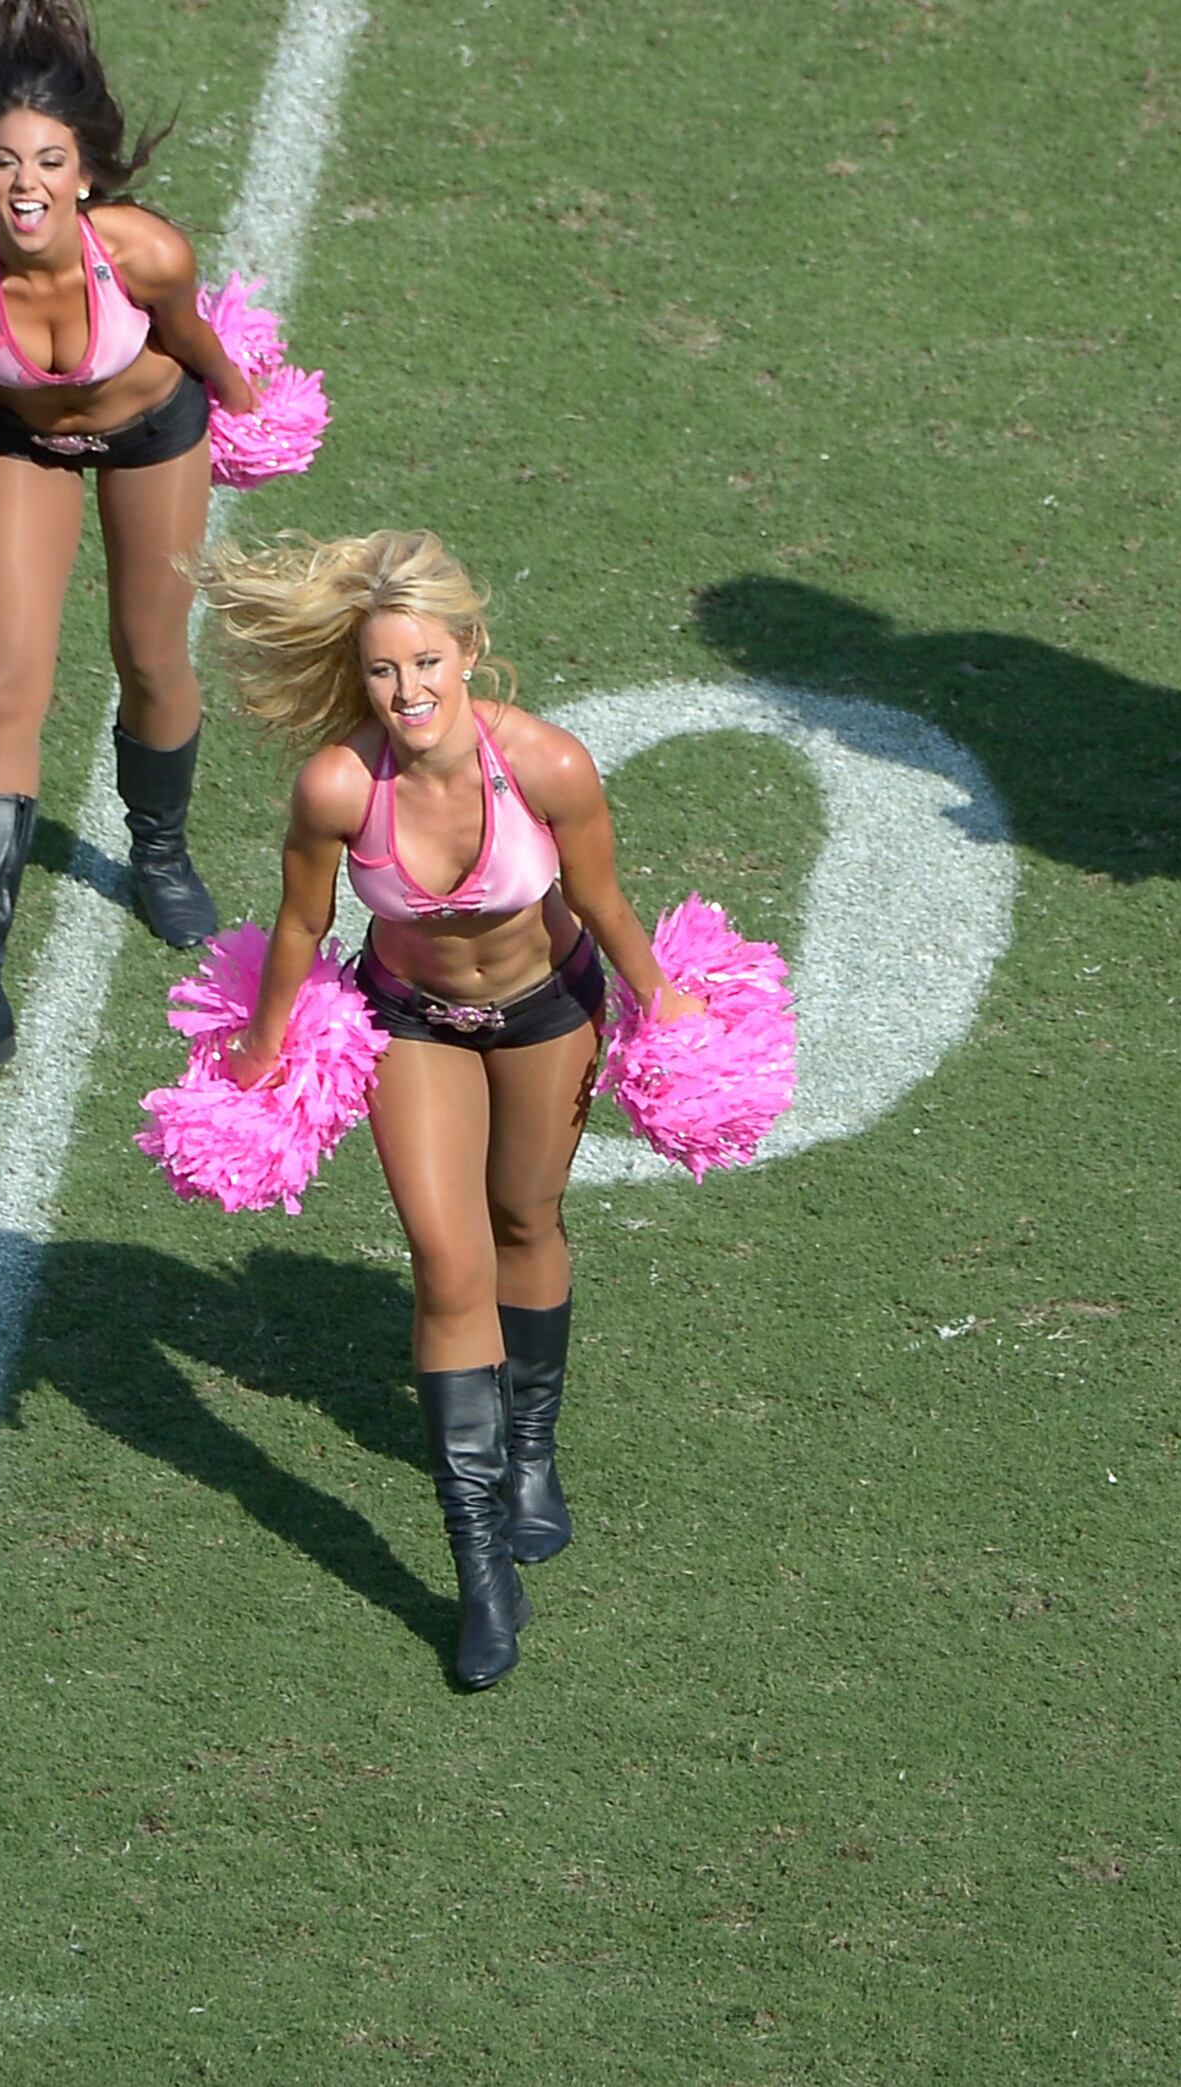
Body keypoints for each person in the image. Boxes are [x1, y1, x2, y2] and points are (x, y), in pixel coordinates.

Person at [197, 532, 700, 1692]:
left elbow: (603, 899)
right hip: (412, 1018)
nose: (408, 690)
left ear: (469, 650)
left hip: (544, 1010)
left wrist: (669, 1007)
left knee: (525, 1219)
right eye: (383, 670)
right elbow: (295, 927)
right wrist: (258, 1056)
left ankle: (532, 1452)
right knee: (444, 1258)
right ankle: (479, 1571)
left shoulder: (550, 767)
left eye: (427, 661)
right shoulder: (339, 784)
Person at [0, 0, 271, 1104]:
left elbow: (200, 349)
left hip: (152, 428)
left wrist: (253, 415)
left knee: (151, 655)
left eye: (49, 162)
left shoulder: (143, 252)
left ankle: (158, 851)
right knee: (2, 688)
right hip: (19, 443)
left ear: (85, 172)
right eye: (5, 161)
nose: (25, 183)